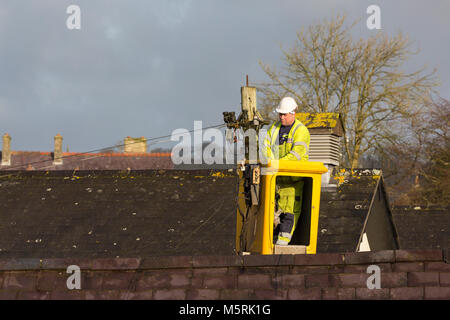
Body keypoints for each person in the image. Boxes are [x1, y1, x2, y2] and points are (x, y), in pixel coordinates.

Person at [263, 97, 310, 245]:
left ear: (293, 113)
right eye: (280, 114)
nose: (282, 117)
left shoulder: (301, 131)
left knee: (289, 213)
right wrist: (271, 163)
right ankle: (273, 241)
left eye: (284, 114)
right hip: (276, 181)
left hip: (292, 182)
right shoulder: (274, 129)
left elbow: (296, 155)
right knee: (271, 213)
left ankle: (282, 243)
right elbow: (265, 149)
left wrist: (275, 164)